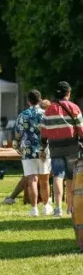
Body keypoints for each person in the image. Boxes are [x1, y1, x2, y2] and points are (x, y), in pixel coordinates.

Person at [41, 82, 83, 239]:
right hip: (72, 146)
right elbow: (81, 127)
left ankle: (57, 208)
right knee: (71, 177)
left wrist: (43, 146)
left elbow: (43, 130)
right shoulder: (73, 107)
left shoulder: (49, 109)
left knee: (58, 175)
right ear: (69, 93)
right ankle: (70, 207)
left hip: (55, 147)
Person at [12, 91, 50, 217]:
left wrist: (17, 146)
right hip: (43, 150)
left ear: (28, 101)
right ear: (40, 100)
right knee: (44, 180)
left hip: (27, 150)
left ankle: (34, 209)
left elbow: (17, 134)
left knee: (31, 180)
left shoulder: (22, 115)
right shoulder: (45, 114)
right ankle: (46, 206)